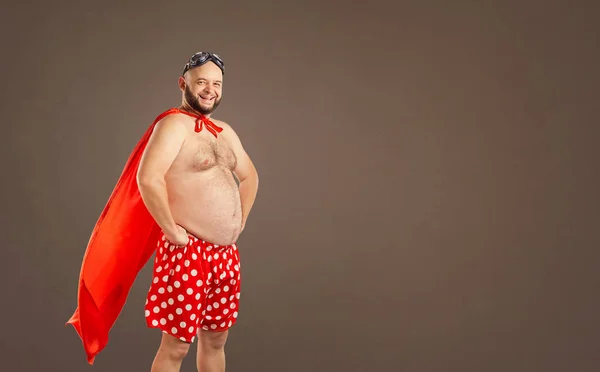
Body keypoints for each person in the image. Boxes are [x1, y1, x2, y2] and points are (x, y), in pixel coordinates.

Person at [66, 52, 259, 372]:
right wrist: (171, 231)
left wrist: (240, 222)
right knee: (177, 345)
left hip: (225, 256)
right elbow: (148, 177)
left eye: (216, 83)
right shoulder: (173, 126)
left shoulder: (224, 132)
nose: (210, 89)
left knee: (216, 340)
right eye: (202, 82)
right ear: (183, 84)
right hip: (188, 253)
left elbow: (250, 175)